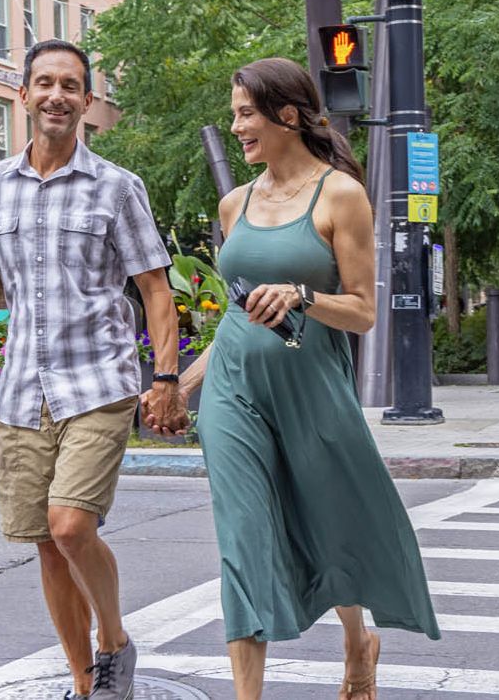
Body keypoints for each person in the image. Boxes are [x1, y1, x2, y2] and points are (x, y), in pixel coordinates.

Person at [144, 58, 441, 700]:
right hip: (233, 391)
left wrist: (302, 295)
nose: (236, 126)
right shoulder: (234, 204)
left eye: (245, 113)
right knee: (243, 536)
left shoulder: (339, 195)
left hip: (312, 389)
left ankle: (358, 642)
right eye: (234, 114)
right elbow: (234, 316)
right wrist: (179, 385)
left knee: (330, 520)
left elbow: (363, 311)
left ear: (286, 115)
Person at [0, 39, 178, 700]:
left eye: (70, 85)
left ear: (87, 102)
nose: (56, 95)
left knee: (70, 524)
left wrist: (166, 379)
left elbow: (155, 289)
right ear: (23, 95)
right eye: (44, 83)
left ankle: (113, 642)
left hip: (98, 382)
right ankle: (86, 684)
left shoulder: (117, 187)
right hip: (23, 389)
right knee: (46, 545)